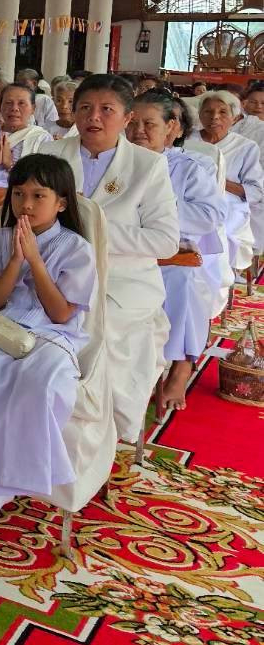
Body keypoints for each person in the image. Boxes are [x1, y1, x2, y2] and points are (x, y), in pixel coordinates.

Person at [0, 154, 96, 537]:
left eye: (38, 195)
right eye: (18, 194)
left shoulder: (75, 247)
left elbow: (62, 313)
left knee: (40, 386)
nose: (26, 205)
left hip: (52, 337)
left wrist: (36, 260)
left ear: (61, 202)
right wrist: (15, 261)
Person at [37, 74, 178, 444]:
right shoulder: (51, 156)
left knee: (101, 330)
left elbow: (165, 241)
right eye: (85, 107)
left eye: (106, 110)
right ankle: (39, 430)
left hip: (122, 281)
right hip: (55, 274)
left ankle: (100, 433)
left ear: (127, 118)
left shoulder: (147, 166)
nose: (93, 117)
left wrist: (96, 232)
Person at [130, 91, 227, 414]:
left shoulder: (190, 167)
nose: (138, 131)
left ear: (172, 128)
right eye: (133, 122)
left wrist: (160, 207)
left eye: (149, 124)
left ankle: (181, 365)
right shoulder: (118, 160)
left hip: (175, 253)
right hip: (127, 248)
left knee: (182, 280)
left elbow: (210, 216)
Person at [0, 84, 53, 280]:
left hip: (17, 204)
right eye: (8, 103)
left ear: (32, 108)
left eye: (22, 103)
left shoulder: (41, 138)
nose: (14, 109)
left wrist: (10, 166)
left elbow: (42, 180)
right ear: (0, 106)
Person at [190, 90, 264, 300]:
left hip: (229, 204)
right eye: (208, 112)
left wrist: (220, 182)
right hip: (190, 201)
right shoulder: (186, 140)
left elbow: (255, 190)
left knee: (220, 225)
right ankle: (190, 273)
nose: (215, 117)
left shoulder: (245, 147)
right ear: (200, 115)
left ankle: (216, 278)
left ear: (234, 116)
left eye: (223, 112)